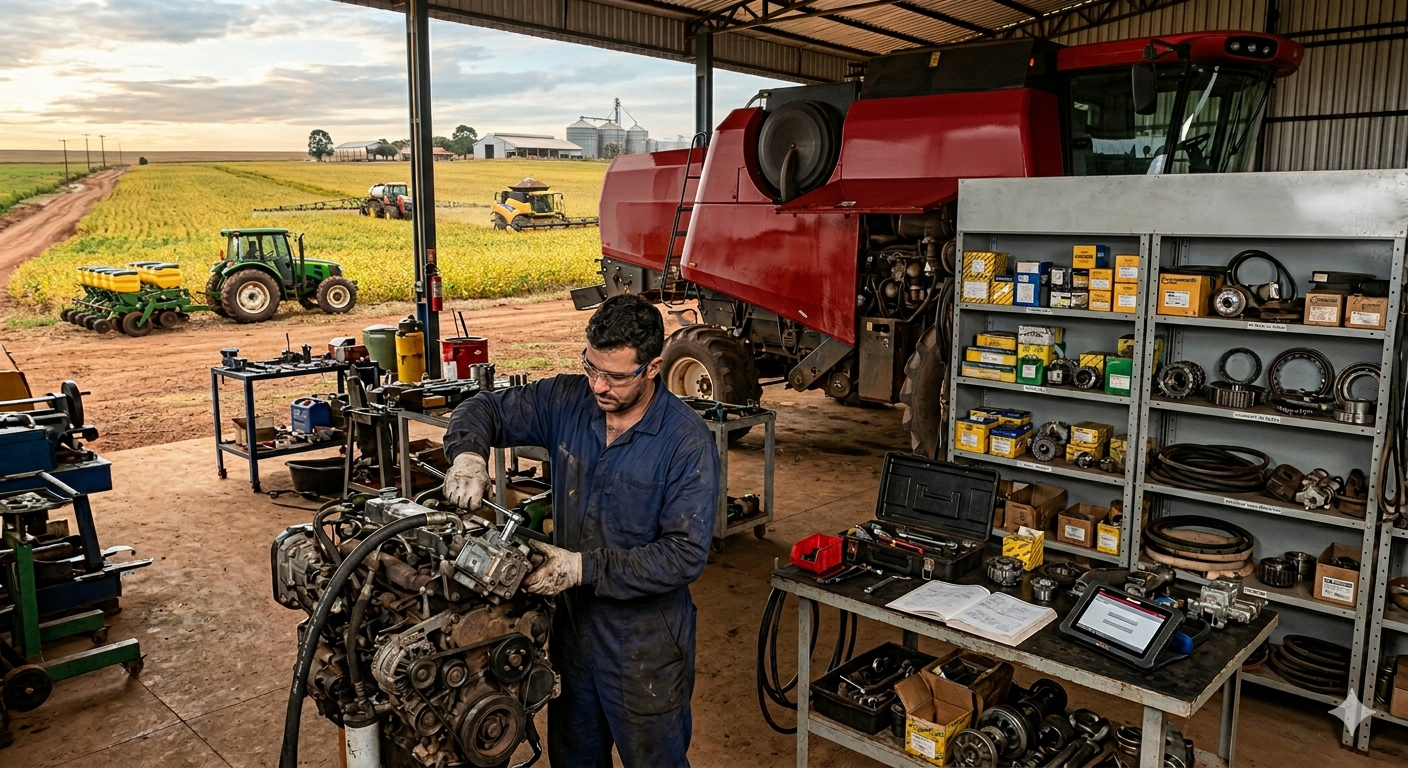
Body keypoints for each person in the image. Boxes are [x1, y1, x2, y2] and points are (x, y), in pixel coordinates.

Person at [442, 294, 720, 768]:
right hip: (572, 634)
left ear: (653, 368)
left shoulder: (686, 443)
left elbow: (684, 554)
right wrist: (468, 454)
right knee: (575, 757)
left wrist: (582, 567)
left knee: (654, 761)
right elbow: (483, 408)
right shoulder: (568, 400)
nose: (598, 385)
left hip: (644, 647)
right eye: (591, 367)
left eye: (614, 375)